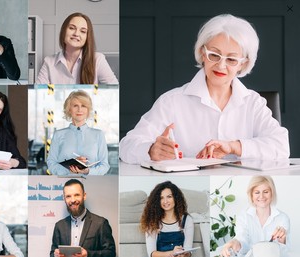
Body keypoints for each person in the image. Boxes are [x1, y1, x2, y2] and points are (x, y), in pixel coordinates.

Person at [119, 14, 289, 164]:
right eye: (214, 55)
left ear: (243, 64)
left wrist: (234, 146)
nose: (221, 65)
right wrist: (150, 150)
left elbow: (281, 147)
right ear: (202, 53)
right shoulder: (171, 101)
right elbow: (127, 146)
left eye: (231, 59)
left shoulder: (253, 103)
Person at [36, 12, 118, 84]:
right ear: (64, 31)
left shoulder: (97, 59)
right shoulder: (49, 62)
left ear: (87, 37)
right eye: (72, 28)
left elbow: (115, 90)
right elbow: (37, 93)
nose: (76, 34)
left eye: (83, 31)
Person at [220, 176, 290, 257]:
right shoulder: (243, 217)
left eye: (266, 192)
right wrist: (235, 243)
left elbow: (283, 252)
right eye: (257, 192)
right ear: (251, 195)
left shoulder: (282, 218)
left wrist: (282, 240)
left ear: (272, 193)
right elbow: (242, 239)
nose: (261, 196)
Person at [46, 90, 110, 175]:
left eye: (83, 106)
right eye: (75, 106)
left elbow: (105, 165)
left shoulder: (98, 134)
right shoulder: (58, 134)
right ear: (69, 109)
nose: (79, 109)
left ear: (88, 110)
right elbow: (51, 163)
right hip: (64, 181)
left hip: (92, 183)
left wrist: (87, 171)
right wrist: (69, 169)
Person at [50, 179, 116, 257]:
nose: (73, 200)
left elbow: (111, 254)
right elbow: (52, 255)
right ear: (64, 199)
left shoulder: (101, 223)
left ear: (84, 196)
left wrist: (88, 255)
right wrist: (55, 256)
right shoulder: (59, 226)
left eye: (77, 195)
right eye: (68, 196)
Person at [140, 181, 194, 257]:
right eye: (161, 198)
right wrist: (171, 253)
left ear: (176, 198)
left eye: (169, 197)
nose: (165, 201)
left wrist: (183, 256)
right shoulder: (152, 221)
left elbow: (189, 251)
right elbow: (152, 254)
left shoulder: (187, 220)